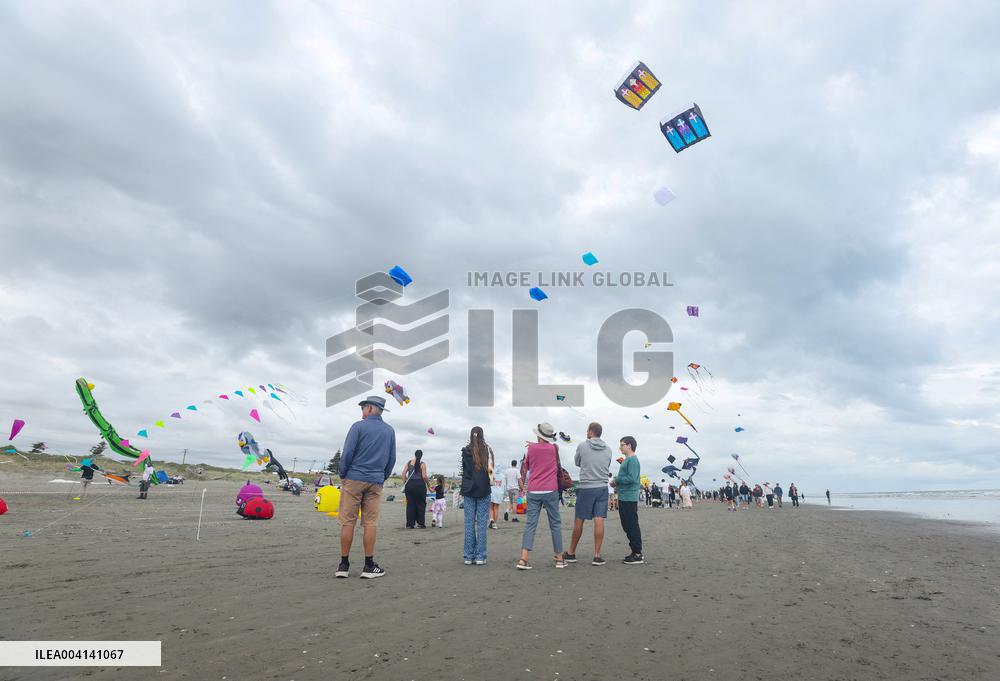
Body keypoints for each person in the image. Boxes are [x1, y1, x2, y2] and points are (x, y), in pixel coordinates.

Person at [335, 395, 396, 580]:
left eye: (363, 408)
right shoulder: (389, 431)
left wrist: (343, 474)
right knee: (370, 523)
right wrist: (382, 476)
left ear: (369, 409)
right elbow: (391, 459)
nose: (362, 412)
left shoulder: (358, 427)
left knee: (348, 521)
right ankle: (369, 565)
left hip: (354, 478)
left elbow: (348, 453)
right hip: (375, 480)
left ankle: (343, 564)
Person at [516, 423, 566, 570]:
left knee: (531, 523)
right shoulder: (554, 448)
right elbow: (555, 464)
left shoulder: (530, 449)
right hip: (551, 489)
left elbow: (529, 466)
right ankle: (559, 558)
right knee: (555, 524)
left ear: (539, 435)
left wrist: (534, 448)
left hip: (534, 489)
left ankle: (523, 558)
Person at [565, 422, 610, 566]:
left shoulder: (582, 445)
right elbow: (607, 465)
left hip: (586, 487)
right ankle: (597, 555)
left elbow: (577, 462)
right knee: (599, 519)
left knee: (579, 520)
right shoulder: (608, 449)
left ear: (591, 432)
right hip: (602, 487)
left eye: (587, 431)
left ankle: (571, 553)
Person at [461, 426, 493, 565]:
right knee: (481, 523)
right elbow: (490, 470)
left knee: (469, 523)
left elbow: (465, 470)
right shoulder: (487, 450)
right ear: (482, 435)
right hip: (484, 489)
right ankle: (480, 556)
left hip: (468, 489)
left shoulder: (465, 450)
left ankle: (468, 556)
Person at [611, 435, 643, 564]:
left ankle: (637, 553)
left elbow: (632, 478)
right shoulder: (627, 460)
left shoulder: (633, 460)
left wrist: (616, 480)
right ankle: (635, 551)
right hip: (624, 496)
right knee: (627, 525)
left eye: (622, 444)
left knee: (631, 525)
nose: (620, 447)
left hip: (629, 497)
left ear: (629, 445)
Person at [402, 449, 430, 529]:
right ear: (421, 456)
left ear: (415, 455)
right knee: (421, 504)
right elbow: (424, 476)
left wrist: (405, 483)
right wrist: (428, 485)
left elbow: (403, 473)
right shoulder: (422, 464)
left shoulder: (409, 462)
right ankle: (420, 524)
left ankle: (410, 524)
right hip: (420, 485)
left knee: (410, 505)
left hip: (409, 485)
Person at [489, 457, 507, 529]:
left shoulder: (491, 474)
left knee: (491, 508)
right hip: (499, 493)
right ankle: (494, 524)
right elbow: (505, 486)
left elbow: (488, 481)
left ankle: (491, 519)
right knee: (496, 508)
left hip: (491, 492)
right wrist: (505, 494)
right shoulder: (503, 476)